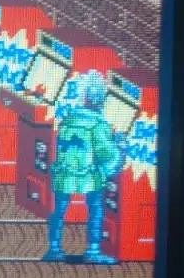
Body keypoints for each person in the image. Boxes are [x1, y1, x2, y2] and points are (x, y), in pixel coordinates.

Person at [42, 70, 124, 264]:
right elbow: (107, 155)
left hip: (63, 174)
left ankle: (54, 247)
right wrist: (120, 145)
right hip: (89, 176)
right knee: (95, 208)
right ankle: (93, 250)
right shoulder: (99, 125)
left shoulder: (68, 121)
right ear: (100, 100)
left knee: (59, 210)